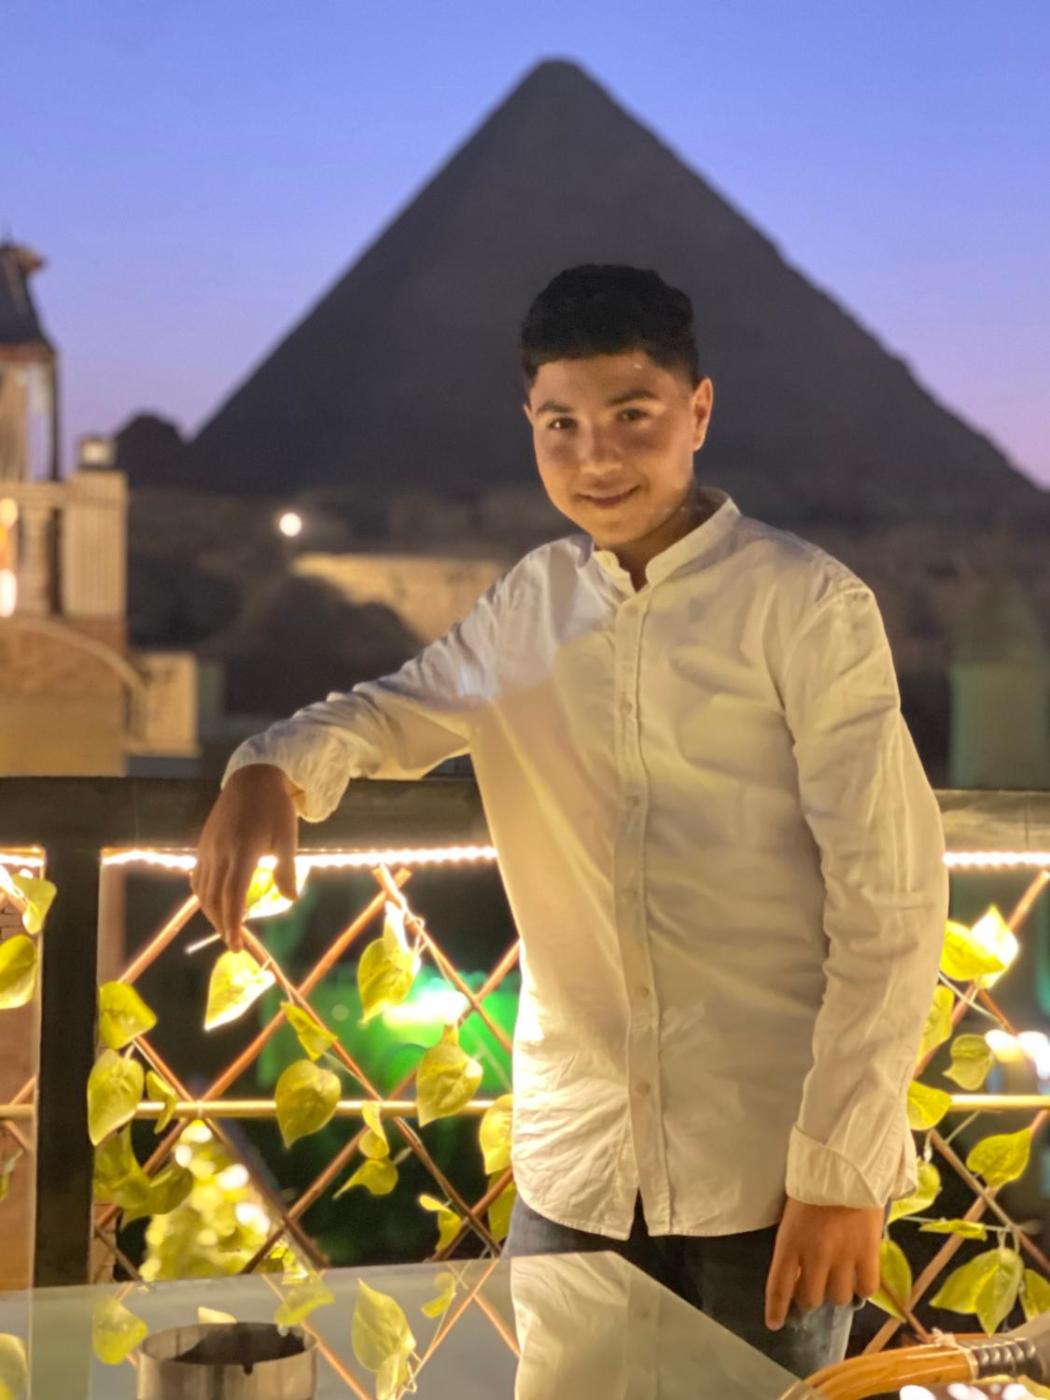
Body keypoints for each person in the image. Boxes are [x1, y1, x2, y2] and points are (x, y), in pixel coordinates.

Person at [193, 264, 948, 1377]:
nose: (596, 457)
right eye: (562, 425)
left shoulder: (806, 606)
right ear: (530, 424)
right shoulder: (526, 609)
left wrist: (842, 1172)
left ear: (699, 410)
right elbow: (392, 711)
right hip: (578, 1171)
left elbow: (891, 900)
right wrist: (269, 768)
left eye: (632, 416)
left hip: (770, 1175)